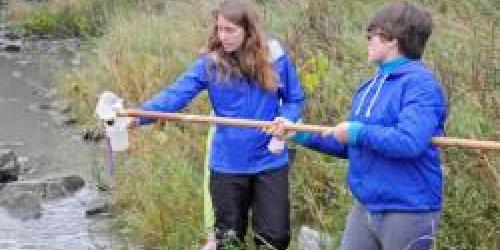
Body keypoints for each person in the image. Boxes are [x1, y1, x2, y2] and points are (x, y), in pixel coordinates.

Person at [268, 2, 447, 250]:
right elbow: (352, 145)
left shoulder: (420, 85)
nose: (368, 42)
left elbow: (409, 141)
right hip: (365, 206)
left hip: (408, 209)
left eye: (371, 36)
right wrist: (298, 134)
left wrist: (357, 131)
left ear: (392, 39)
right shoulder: (368, 87)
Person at [133, 1, 305, 249]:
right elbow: (174, 96)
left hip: (269, 160)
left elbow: (294, 98)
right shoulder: (210, 63)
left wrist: (286, 120)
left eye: (230, 30)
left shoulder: (275, 57)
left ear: (249, 31)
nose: (223, 36)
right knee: (228, 240)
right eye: (220, 29)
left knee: (274, 238)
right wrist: (137, 117)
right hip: (228, 164)